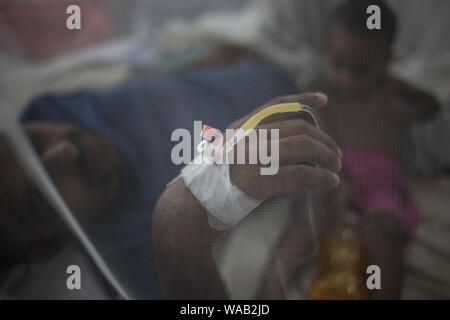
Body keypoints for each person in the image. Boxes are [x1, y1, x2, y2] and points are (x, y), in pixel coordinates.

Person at [1, 60, 319, 299]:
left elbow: (148, 81)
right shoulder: (139, 259)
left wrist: (205, 63)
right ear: (45, 246)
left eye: (31, 145)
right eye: (42, 196)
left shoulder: (46, 109)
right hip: (326, 140)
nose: (67, 151)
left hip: (284, 66)